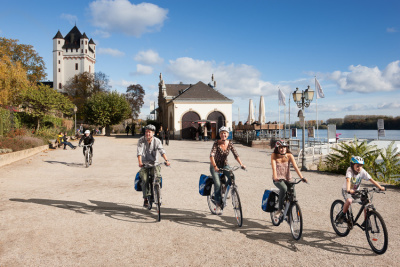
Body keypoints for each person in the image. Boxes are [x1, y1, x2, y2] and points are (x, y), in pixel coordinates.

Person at [338, 156, 385, 224]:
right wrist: (348, 189)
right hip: (346, 190)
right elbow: (348, 180)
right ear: (352, 165)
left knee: (367, 201)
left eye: (361, 166)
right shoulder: (349, 170)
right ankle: (342, 215)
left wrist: (380, 187)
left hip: (356, 191)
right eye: (357, 166)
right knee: (349, 200)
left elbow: (371, 179)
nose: (359, 168)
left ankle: (366, 221)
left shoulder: (362, 171)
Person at [210, 126, 246, 215]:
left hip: (225, 164)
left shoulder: (230, 143)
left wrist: (241, 164)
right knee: (217, 184)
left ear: (228, 134)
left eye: (225, 133)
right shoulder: (216, 143)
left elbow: (236, 155)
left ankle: (225, 188)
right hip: (215, 165)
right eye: (222, 133)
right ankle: (218, 204)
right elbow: (211, 156)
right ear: (219, 134)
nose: (223, 134)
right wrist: (215, 166)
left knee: (232, 177)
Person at [271, 140, 307, 219]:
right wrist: (275, 177)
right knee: (284, 188)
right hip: (278, 179)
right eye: (280, 147)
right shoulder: (274, 155)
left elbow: (296, 167)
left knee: (292, 191)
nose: (283, 149)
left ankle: (291, 207)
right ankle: (280, 209)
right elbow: (273, 168)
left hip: (288, 178)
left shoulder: (289, 155)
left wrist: (302, 177)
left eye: (284, 147)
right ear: (277, 148)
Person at [137, 124, 170, 207]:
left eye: (150, 132)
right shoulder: (141, 140)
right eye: (146, 132)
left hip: (155, 163)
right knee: (144, 180)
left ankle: (157, 192)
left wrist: (166, 160)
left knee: (157, 178)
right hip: (144, 164)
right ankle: (145, 198)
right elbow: (139, 152)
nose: (148, 133)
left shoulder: (157, 141)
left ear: (153, 133)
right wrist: (140, 162)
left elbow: (162, 151)